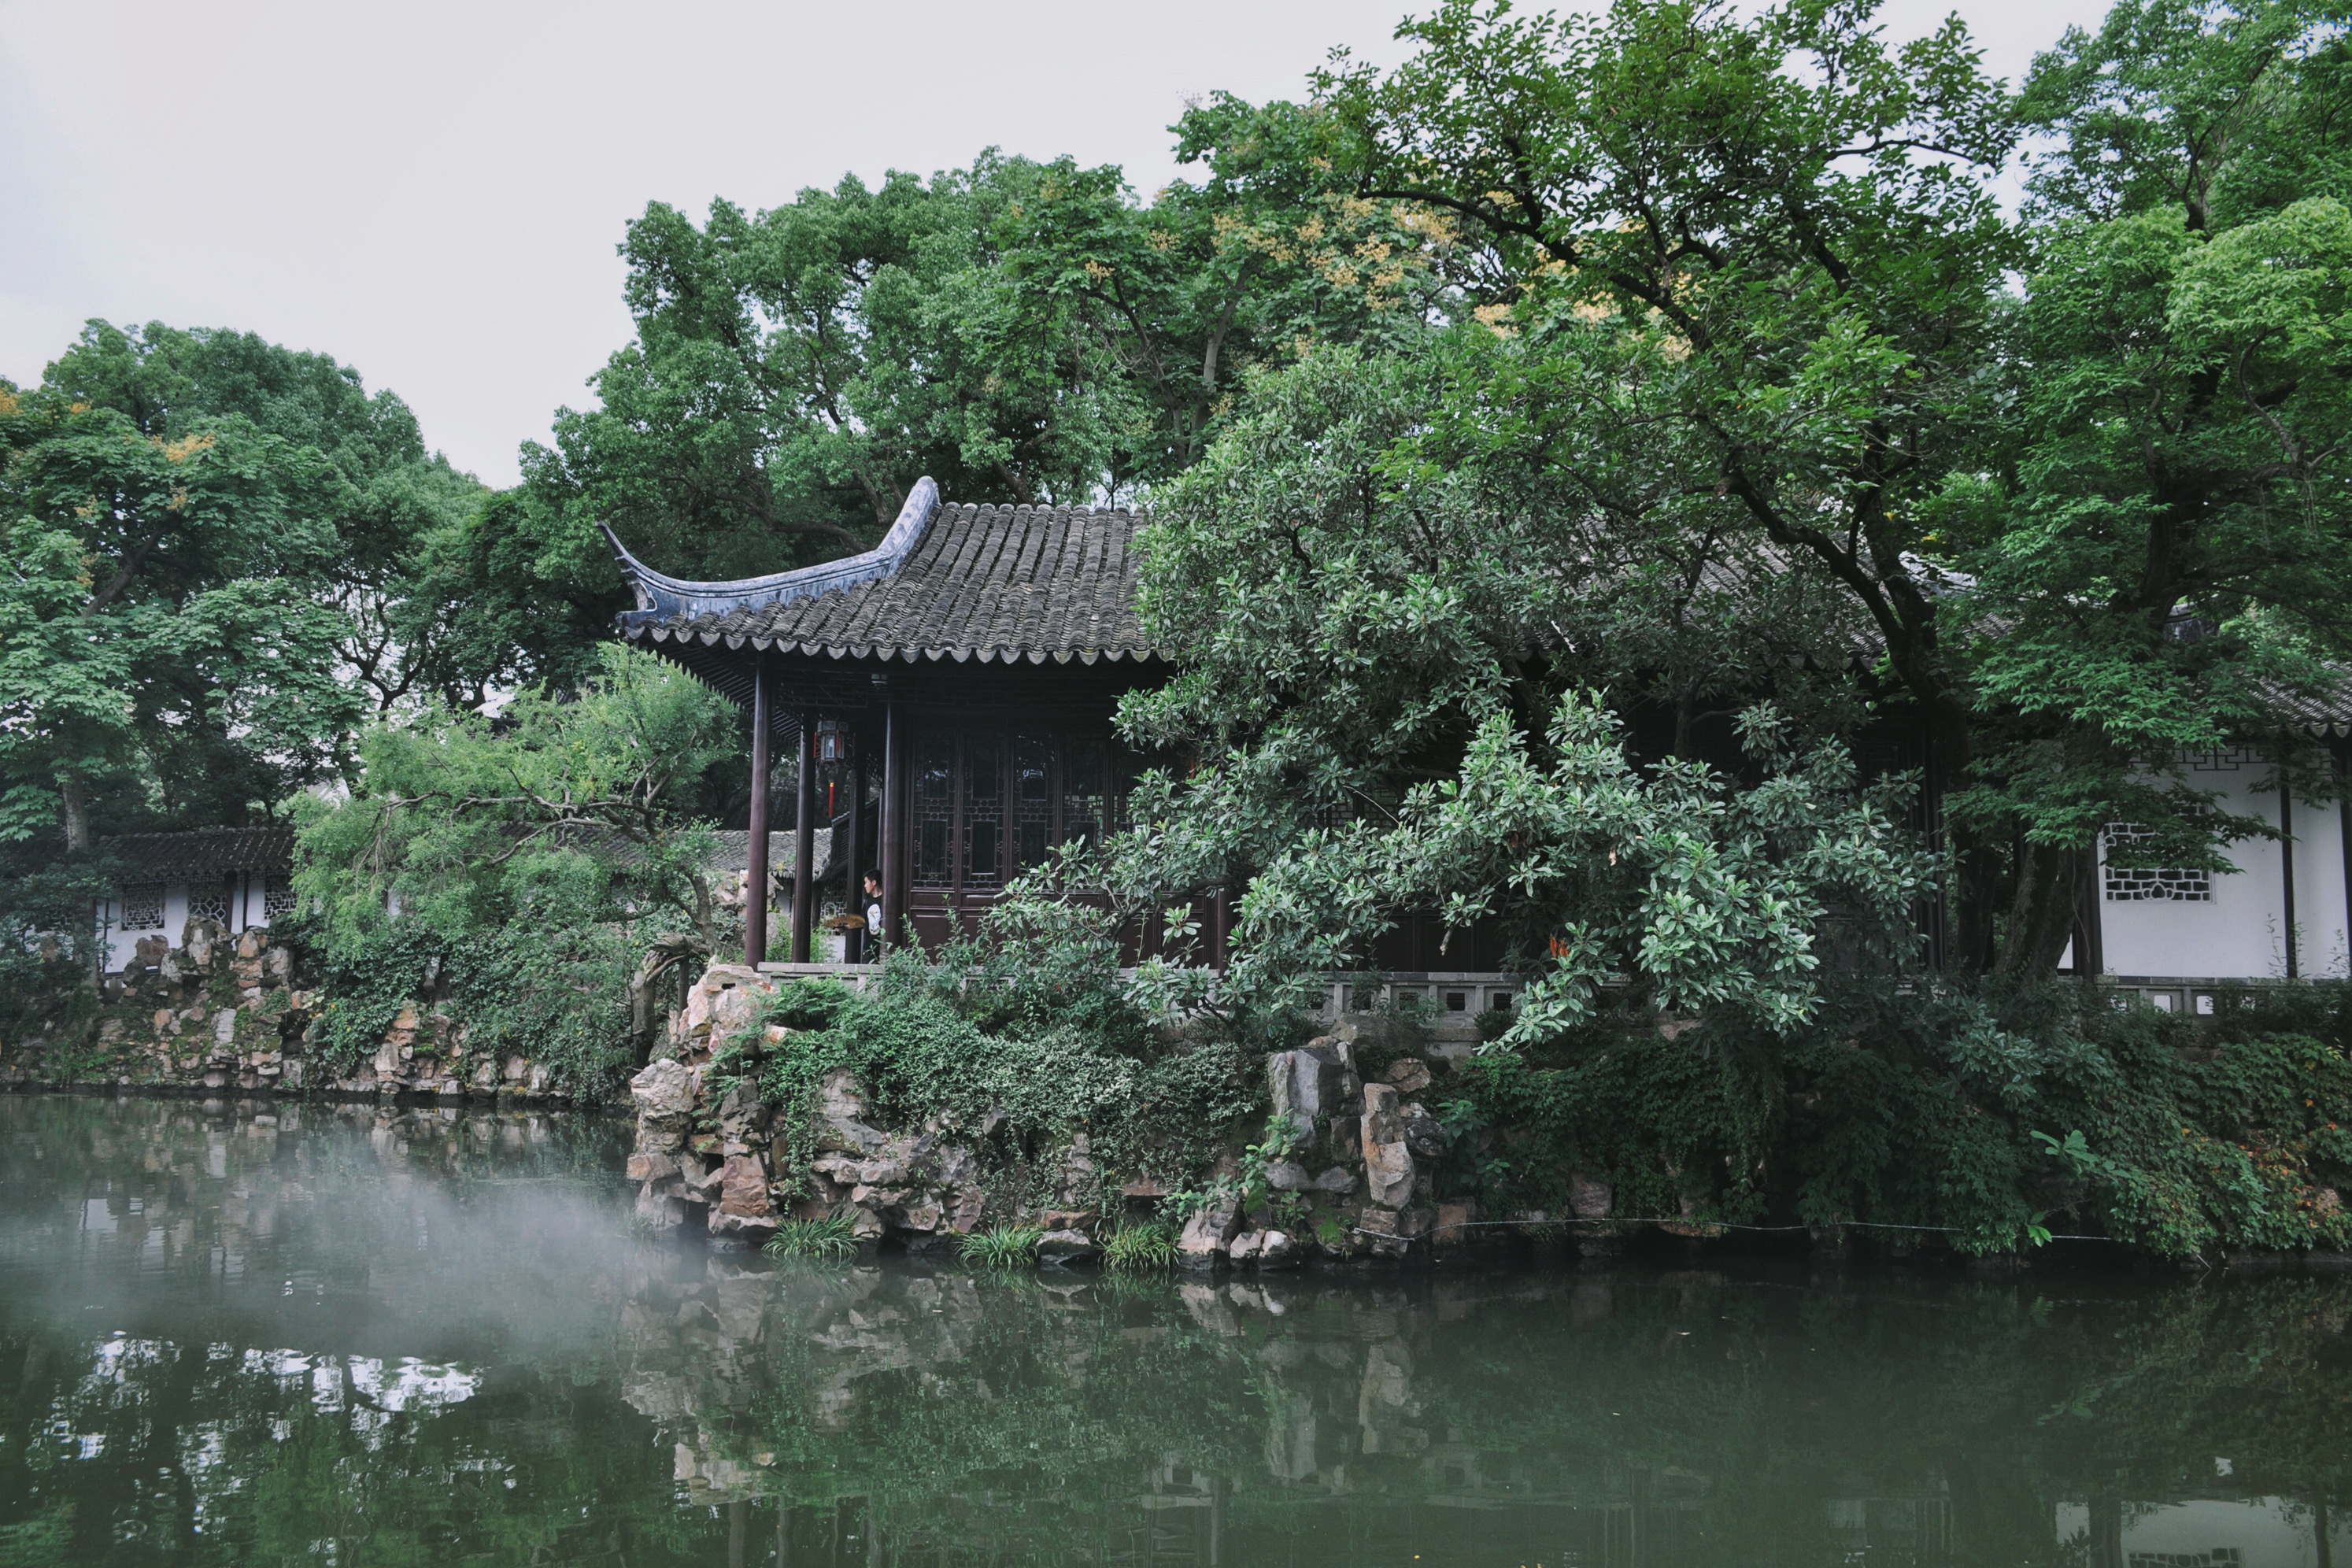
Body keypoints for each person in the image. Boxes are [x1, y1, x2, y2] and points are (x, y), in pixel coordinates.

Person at [861, 871, 884, 961]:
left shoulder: (885, 900)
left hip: (883, 946)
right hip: (869, 948)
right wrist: (844, 927)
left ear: (873, 882)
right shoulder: (868, 901)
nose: (865, 886)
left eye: (866, 882)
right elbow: (861, 921)